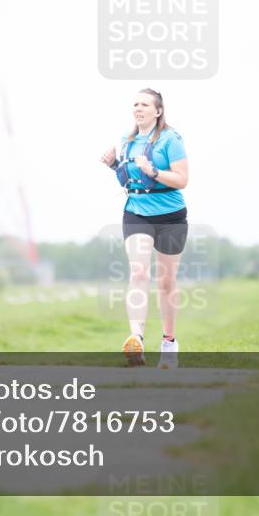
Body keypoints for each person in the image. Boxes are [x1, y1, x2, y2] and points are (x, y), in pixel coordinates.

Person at [99, 88, 189, 368]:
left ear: (158, 111)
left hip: (171, 216)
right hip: (136, 212)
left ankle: (169, 342)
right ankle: (136, 338)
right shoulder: (128, 142)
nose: (138, 108)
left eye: (145, 104)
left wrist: (154, 172)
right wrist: (115, 165)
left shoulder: (171, 140)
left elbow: (182, 180)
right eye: (135, 104)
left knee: (165, 283)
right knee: (138, 271)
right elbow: (130, 181)